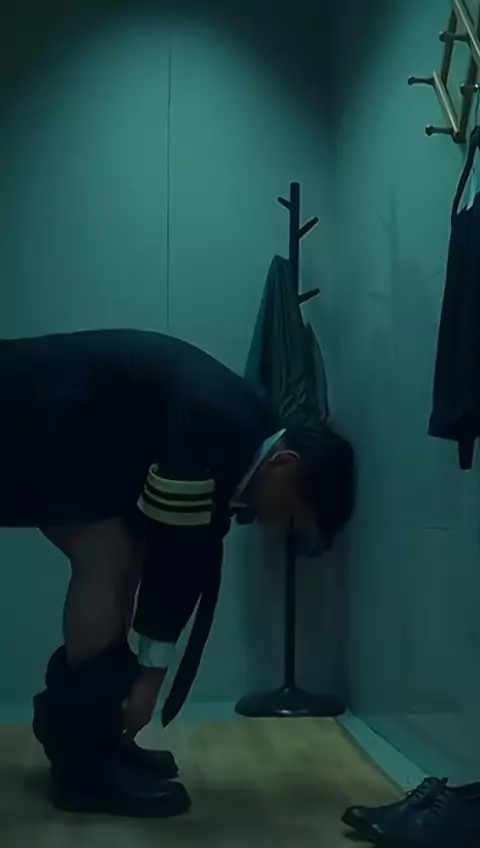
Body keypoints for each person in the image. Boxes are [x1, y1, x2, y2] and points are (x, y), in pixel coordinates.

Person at [0, 328, 354, 816]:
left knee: (123, 549)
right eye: (291, 515)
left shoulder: (247, 428)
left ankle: (94, 737)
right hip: (30, 406)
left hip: (51, 408)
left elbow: (177, 552)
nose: (277, 526)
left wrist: (146, 679)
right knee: (105, 553)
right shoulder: (216, 424)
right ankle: (84, 764)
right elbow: (176, 557)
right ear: (285, 464)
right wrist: (148, 682)